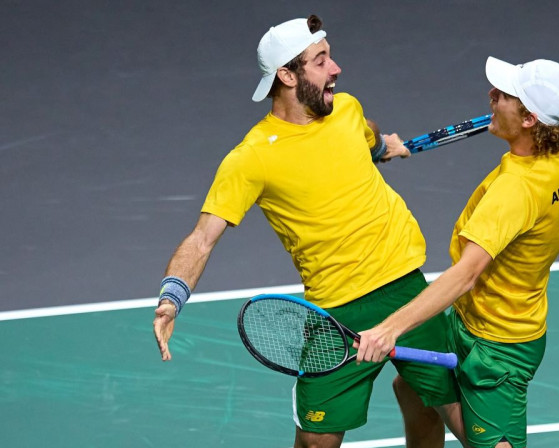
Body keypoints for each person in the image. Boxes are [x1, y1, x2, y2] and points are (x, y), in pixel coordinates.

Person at [152, 15, 465, 448]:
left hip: (406, 289)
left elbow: (365, 133)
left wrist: (382, 147)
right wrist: (172, 298)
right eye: (321, 61)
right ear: (287, 75)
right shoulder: (252, 158)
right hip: (335, 313)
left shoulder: (346, 109)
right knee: (316, 441)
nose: (335, 68)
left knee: (459, 418)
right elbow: (202, 237)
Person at [354, 56, 559, 448]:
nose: (492, 96)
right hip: (474, 319)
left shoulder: (514, 192)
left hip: (499, 346)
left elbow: (465, 275)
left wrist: (389, 330)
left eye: (504, 95)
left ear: (531, 120)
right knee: (411, 388)